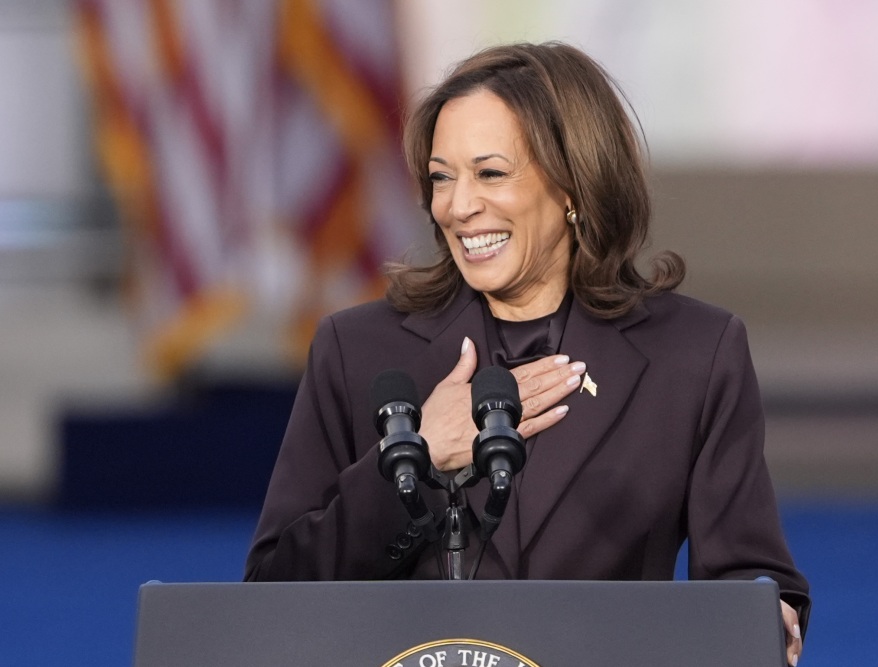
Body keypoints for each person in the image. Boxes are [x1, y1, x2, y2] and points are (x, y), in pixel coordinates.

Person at [245, 42, 810, 666]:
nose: (458, 206)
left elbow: (746, 575)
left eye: (490, 173)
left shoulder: (693, 355)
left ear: (573, 184)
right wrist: (420, 454)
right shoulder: (358, 351)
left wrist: (768, 614)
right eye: (441, 177)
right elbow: (273, 591)